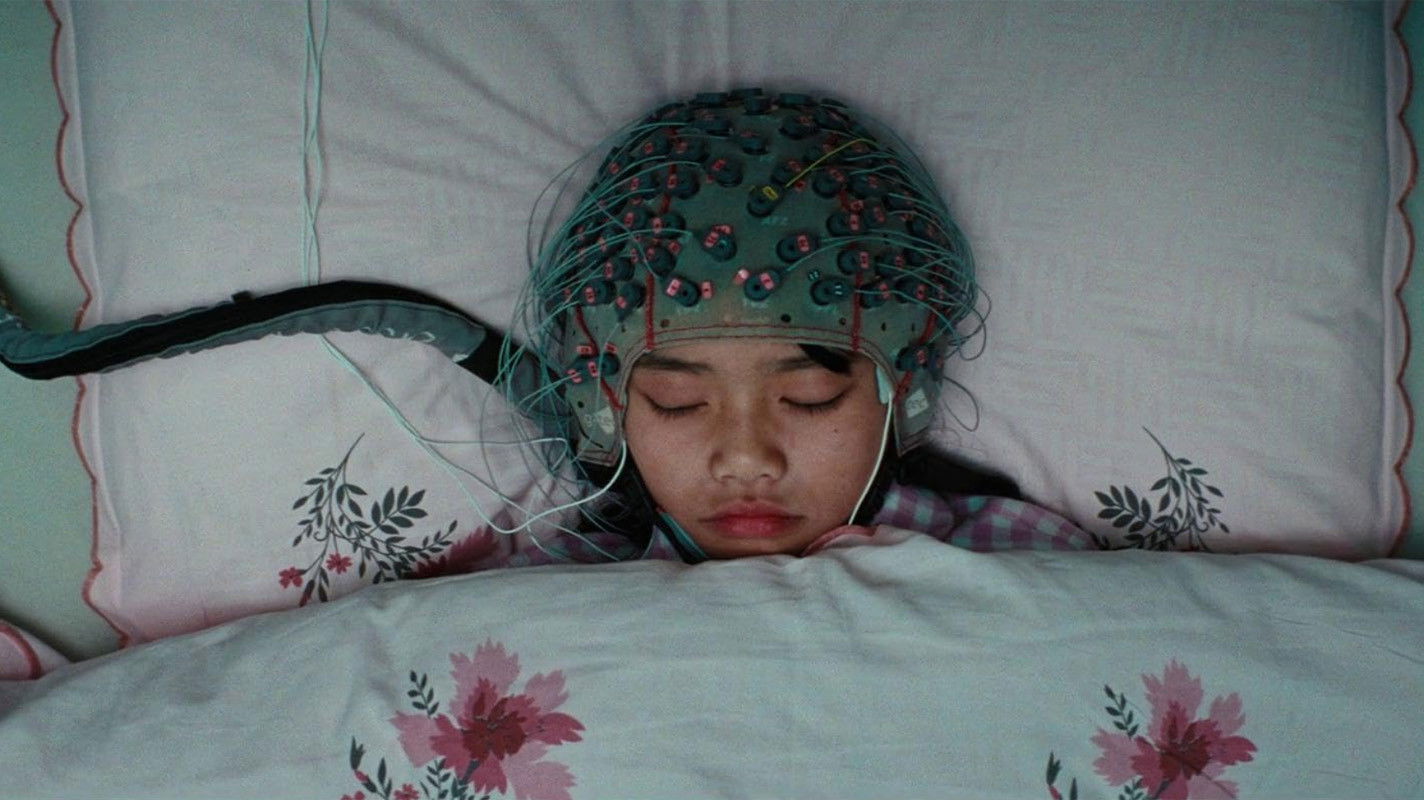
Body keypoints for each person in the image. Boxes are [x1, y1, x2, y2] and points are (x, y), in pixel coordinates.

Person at [466, 88, 1093, 568]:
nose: (746, 460)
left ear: (906, 391)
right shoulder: (544, 602)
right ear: (602, 408)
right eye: (677, 400)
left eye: (810, 397)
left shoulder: (1031, 567)